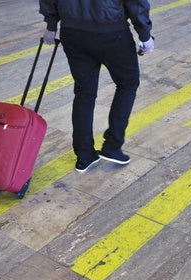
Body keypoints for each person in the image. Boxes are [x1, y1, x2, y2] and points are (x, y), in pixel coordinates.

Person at [39, 0, 154, 173]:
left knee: (84, 92)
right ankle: (112, 145)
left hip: (72, 32)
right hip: (111, 32)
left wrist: (51, 24)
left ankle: (84, 155)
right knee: (127, 84)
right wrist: (144, 35)